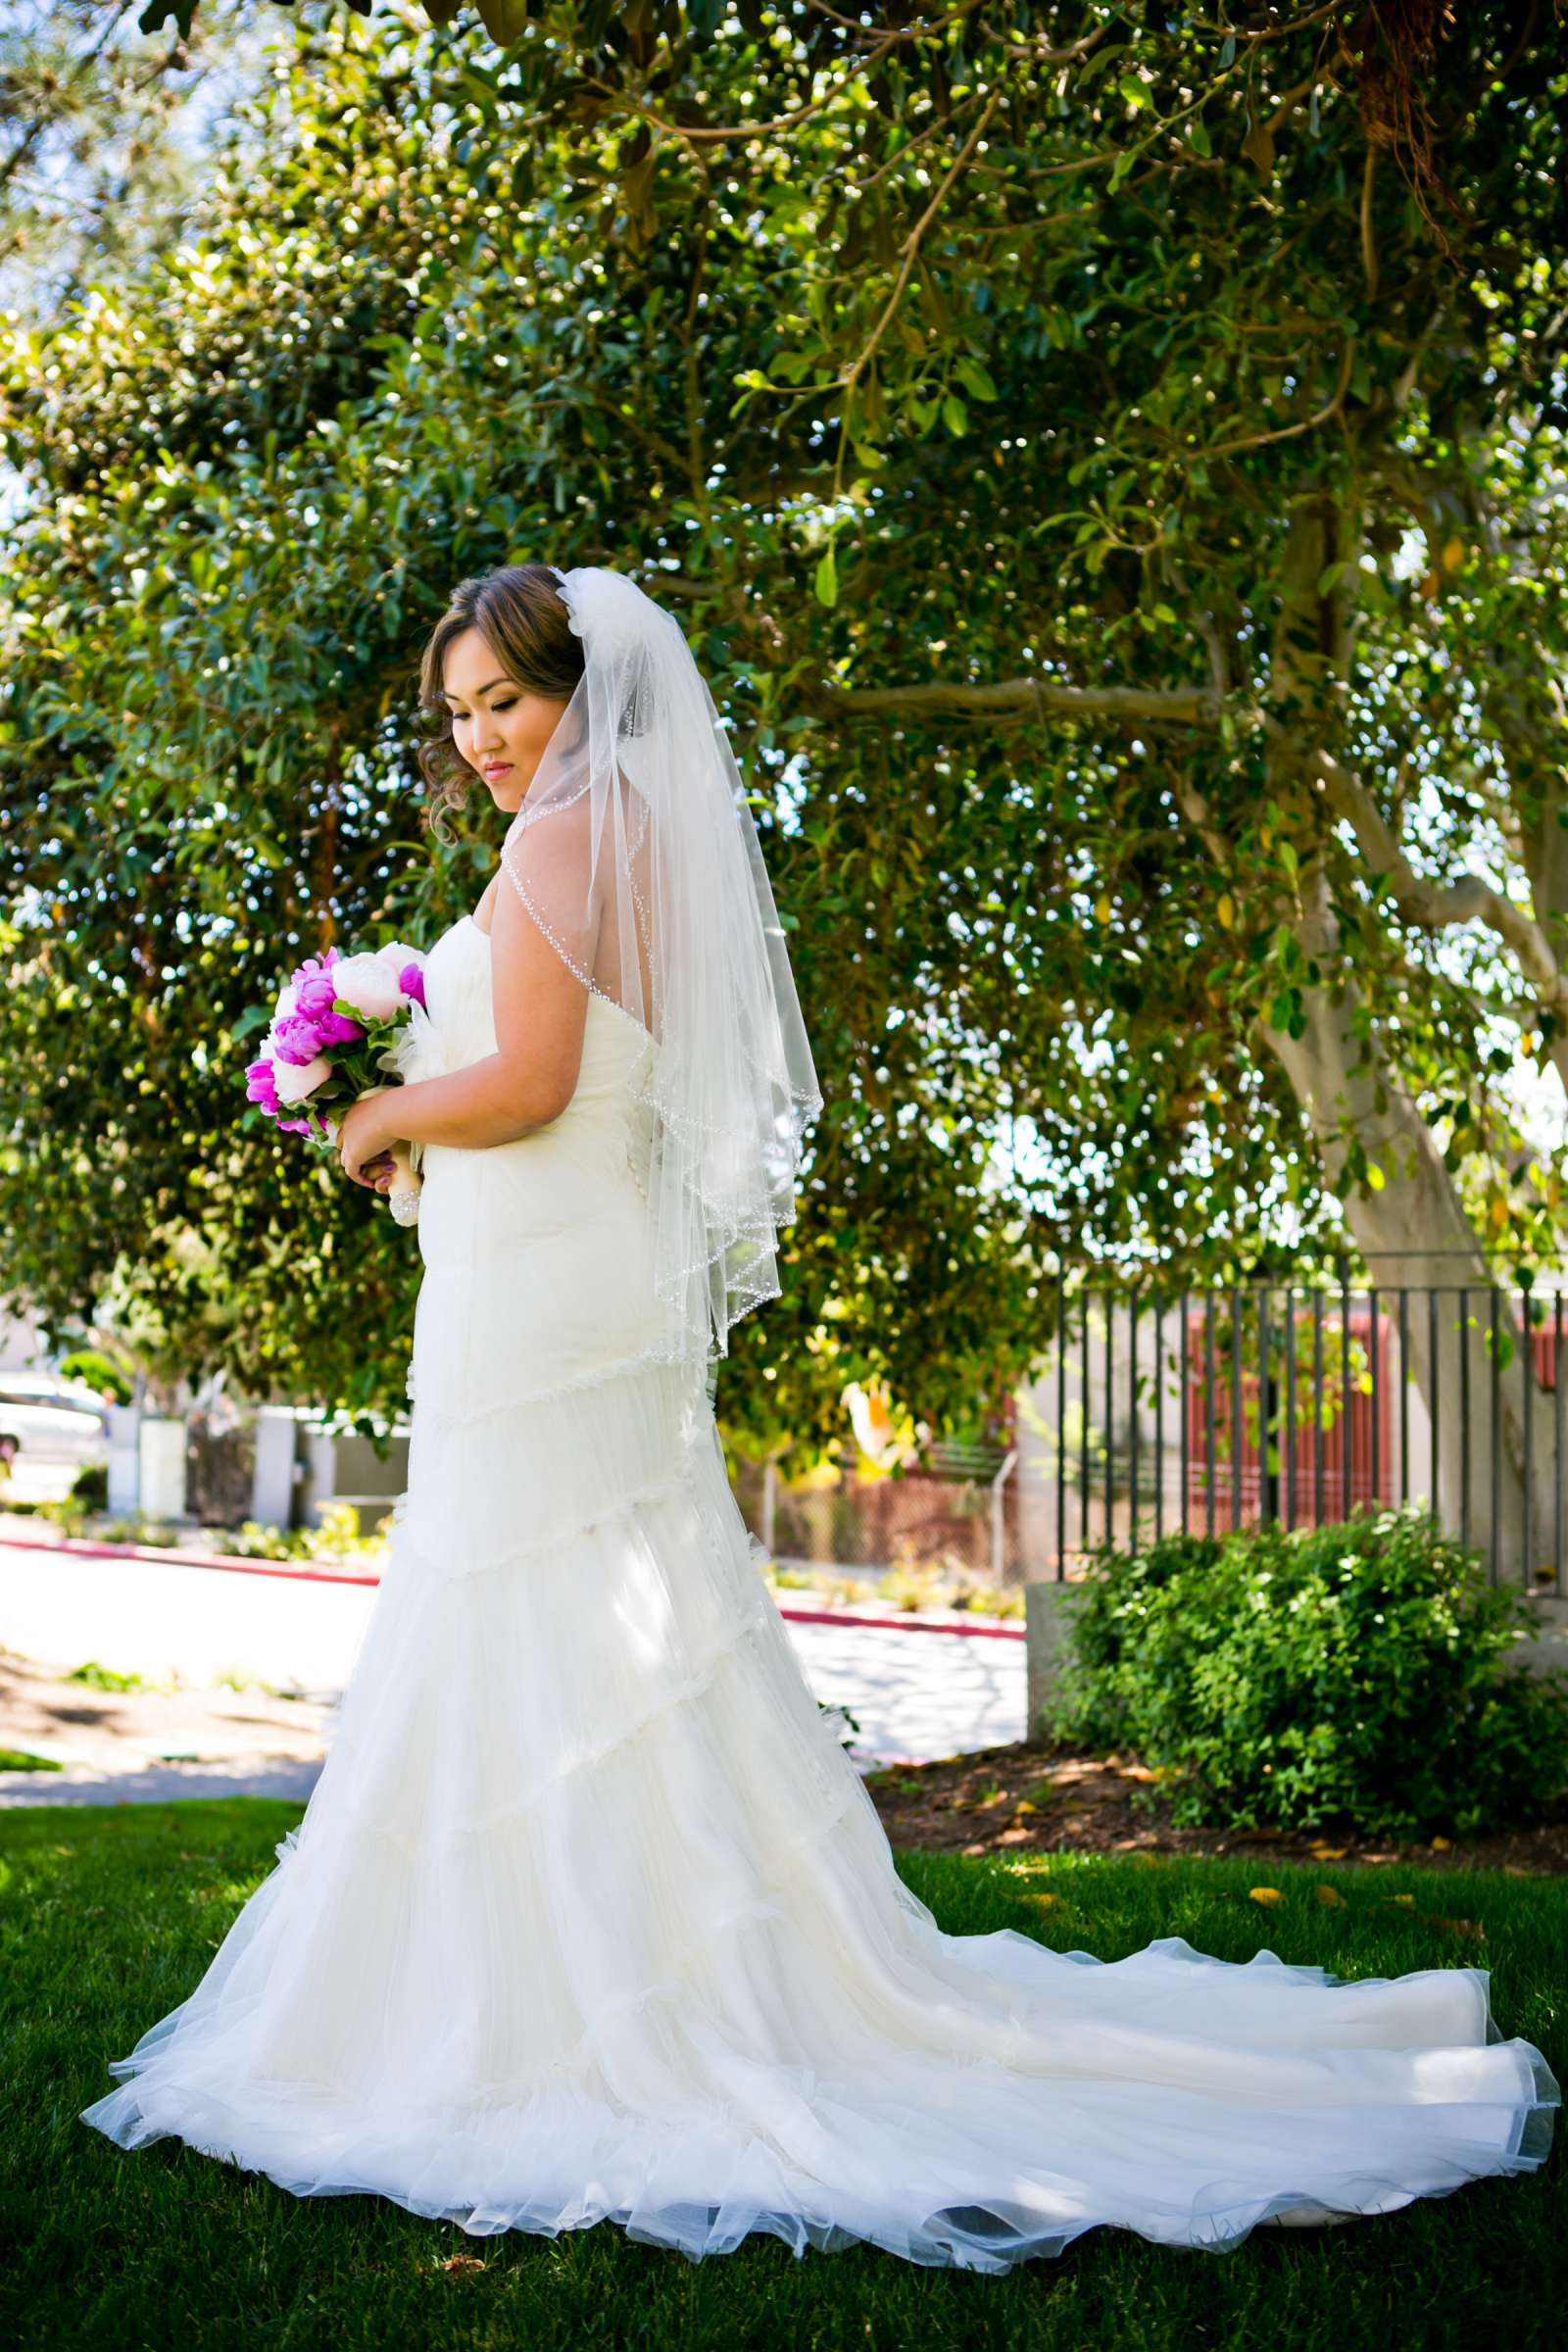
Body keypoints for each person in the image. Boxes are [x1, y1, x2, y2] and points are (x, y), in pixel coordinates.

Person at [78, 563, 1557, 2269]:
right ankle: (598, 1960)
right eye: (463, 712)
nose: (484, 738)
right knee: (579, 1614)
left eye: (509, 701)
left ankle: (548, 2010)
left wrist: (374, 1112)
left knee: (531, 1591)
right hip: (571, 1271)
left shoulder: (564, 838)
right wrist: (416, 1102)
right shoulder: (622, 825)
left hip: (549, 1299)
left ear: (581, 687)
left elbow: (545, 1079)